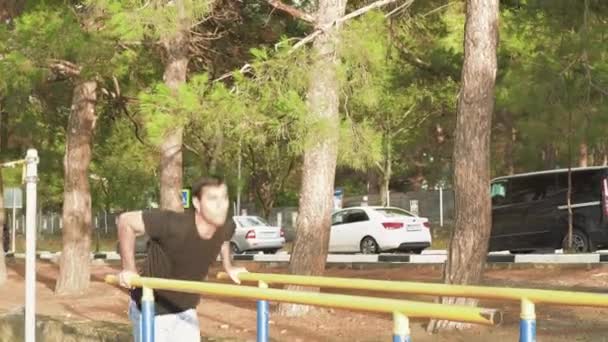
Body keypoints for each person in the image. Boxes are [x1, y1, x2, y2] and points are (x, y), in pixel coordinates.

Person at [116, 176, 247, 342]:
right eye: (213, 199)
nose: (221, 205)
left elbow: (224, 240)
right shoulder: (174, 224)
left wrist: (228, 266)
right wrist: (129, 269)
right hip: (152, 308)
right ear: (197, 204)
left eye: (224, 197)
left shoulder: (226, 226)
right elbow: (125, 221)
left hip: (186, 309)